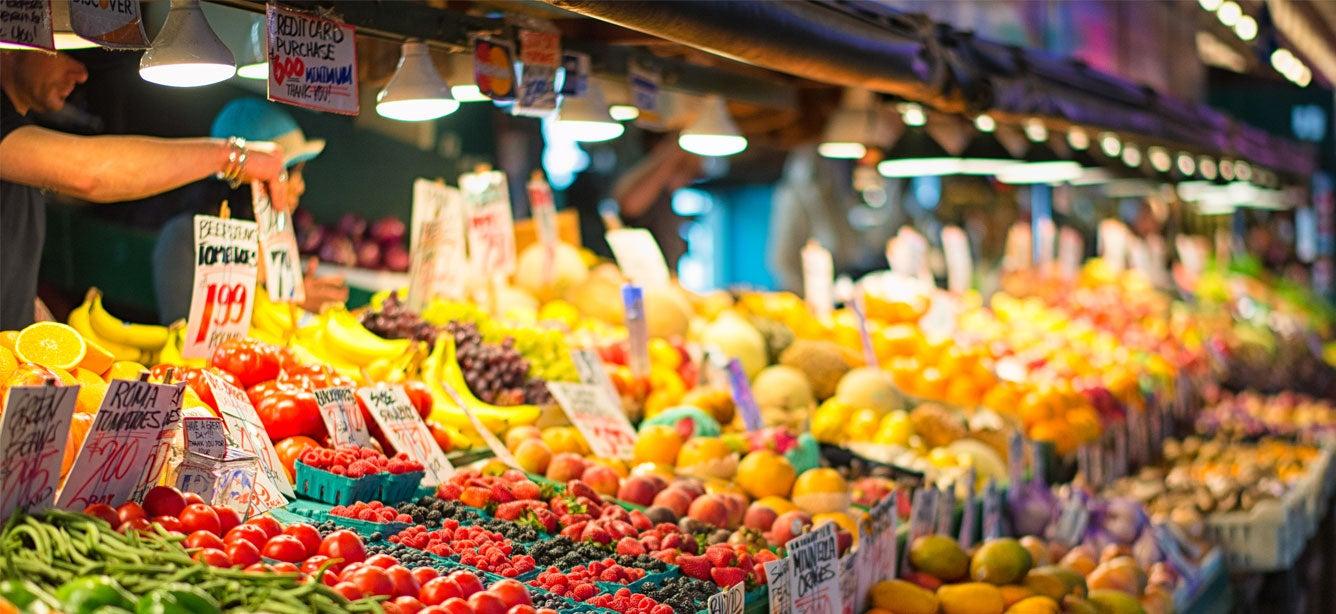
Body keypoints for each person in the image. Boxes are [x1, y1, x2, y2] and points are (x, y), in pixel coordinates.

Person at [0, 49, 289, 329]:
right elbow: (89, 174)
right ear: (10, 44)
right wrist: (231, 156)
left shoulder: (19, 130)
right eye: (64, 51)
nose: (81, 73)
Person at [153, 98, 348, 323]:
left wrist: (295, 300)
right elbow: (181, 329)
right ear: (248, 177)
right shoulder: (183, 237)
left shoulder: (273, 240)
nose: (300, 186)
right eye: (288, 173)